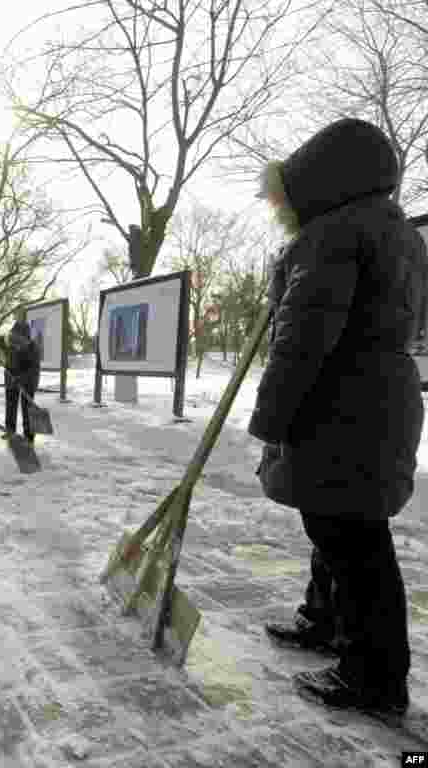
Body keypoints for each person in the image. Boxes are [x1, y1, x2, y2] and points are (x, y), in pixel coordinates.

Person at [249, 117, 425, 718]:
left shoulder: (331, 236)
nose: (282, 209)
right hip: (377, 398)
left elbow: (304, 338)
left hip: (339, 401)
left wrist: (271, 415)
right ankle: (322, 621)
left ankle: (373, 677)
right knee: (340, 522)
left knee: (352, 541)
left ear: (319, 181)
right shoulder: (395, 232)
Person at [3, 320, 41, 443]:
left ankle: (29, 435)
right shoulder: (11, 345)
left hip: (28, 381)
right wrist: (9, 376)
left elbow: (33, 371)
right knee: (10, 404)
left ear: (26, 337)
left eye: (19, 340)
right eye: (14, 339)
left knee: (27, 407)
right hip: (12, 379)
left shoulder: (34, 349)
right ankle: (10, 430)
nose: (16, 344)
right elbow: (8, 364)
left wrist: (20, 379)